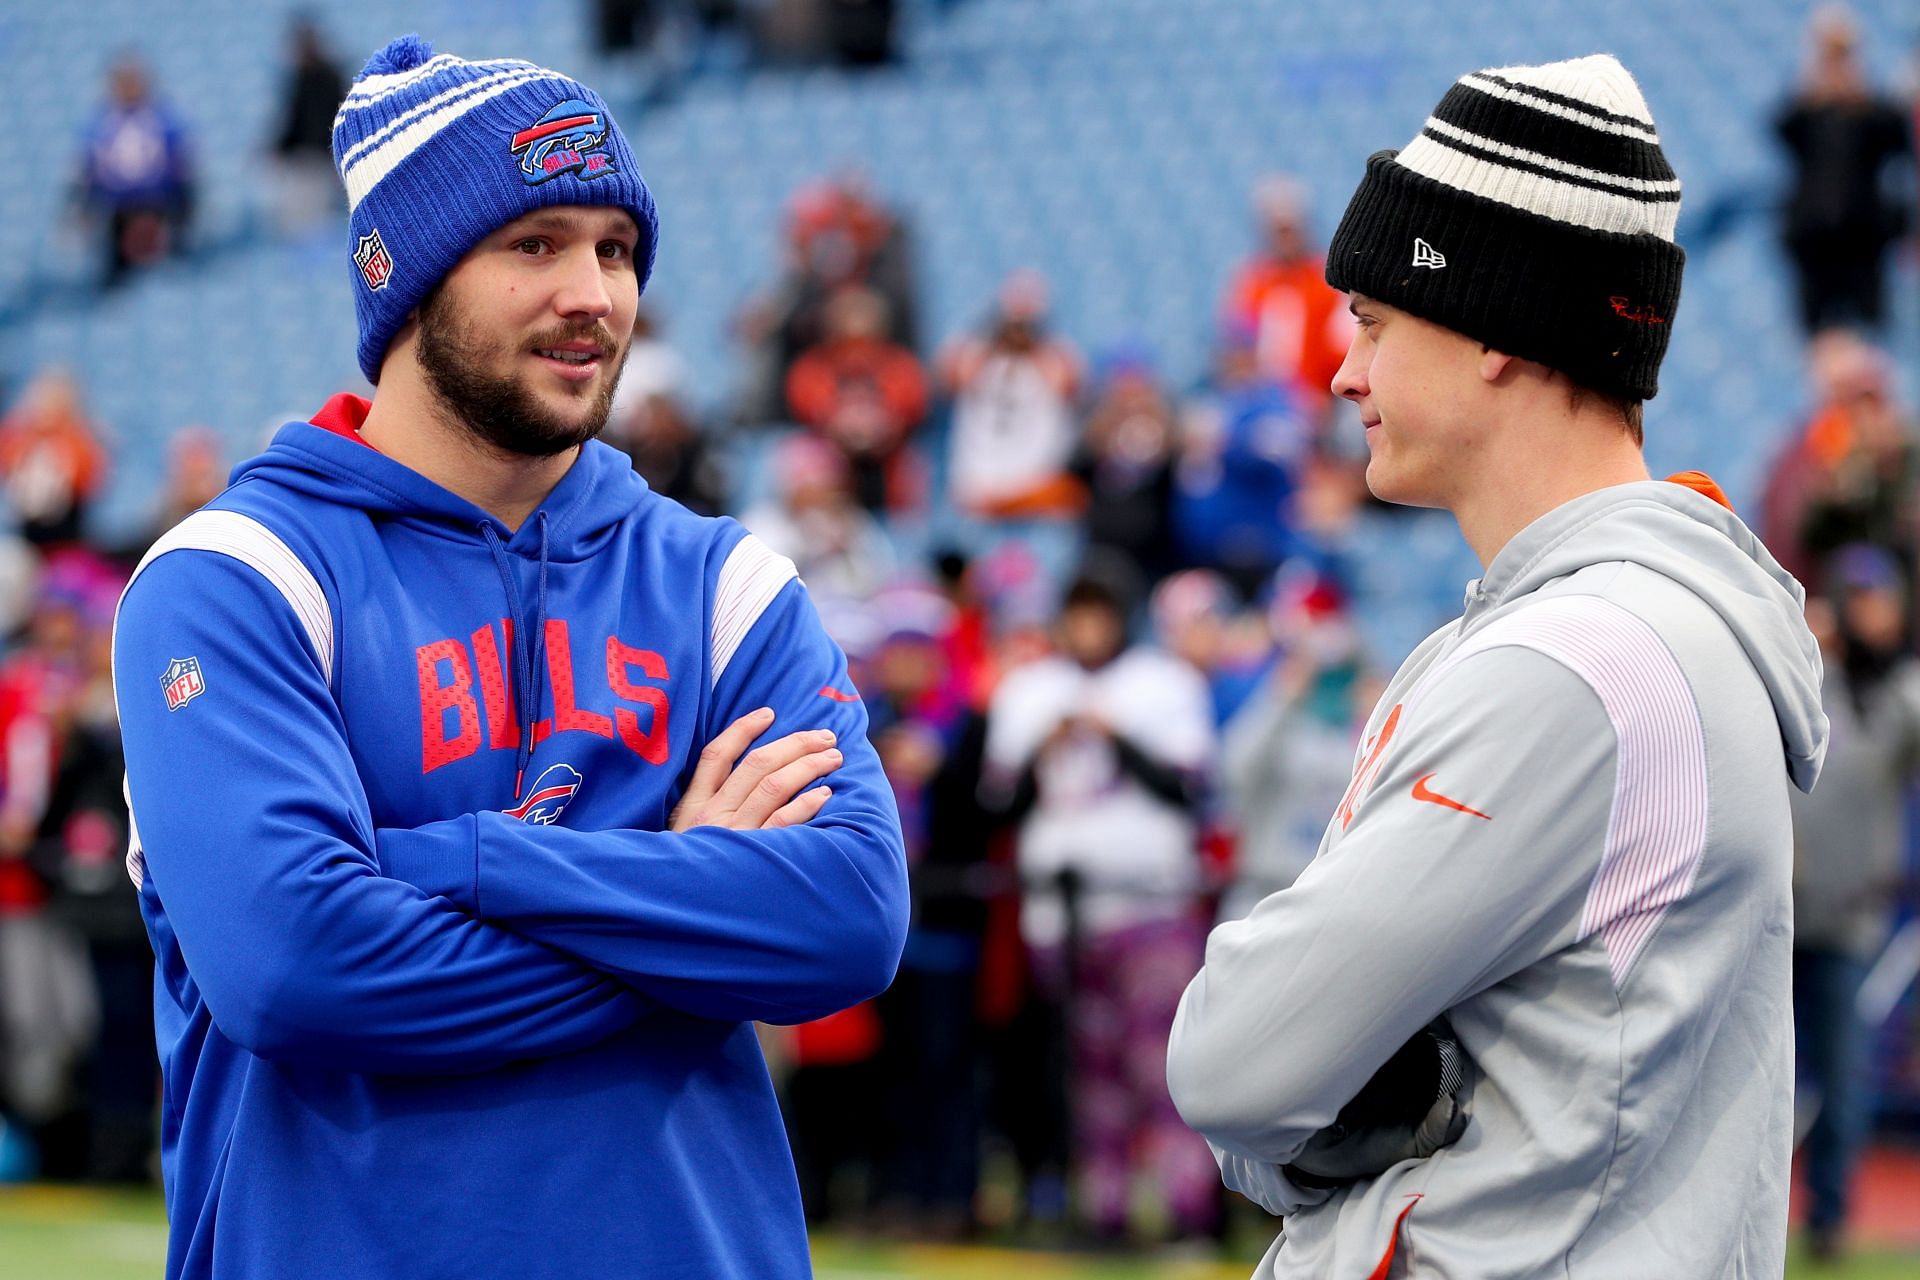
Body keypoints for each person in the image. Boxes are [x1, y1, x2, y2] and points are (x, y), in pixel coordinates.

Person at [111, 37, 907, 1280]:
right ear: (408, 279)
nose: (594, 291)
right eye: (535, 243)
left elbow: (849, 920)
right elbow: (296, 969)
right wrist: (686, 892)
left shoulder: (719, 582)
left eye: (617, 248)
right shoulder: (232, 580)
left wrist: (453, 862)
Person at [1166, 55, 1828, 1279]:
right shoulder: (1634, 635)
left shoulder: (1577, 664)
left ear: (1499, 333)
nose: (1341, 369)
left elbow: (1229, 1061)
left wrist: (1327, 1109)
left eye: (1373, 318)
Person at [985, 570, 1219, 1242]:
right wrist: (1044, 749)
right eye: (1078, 615)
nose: (1089, 630)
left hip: (1149, 904)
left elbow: (1187, 789)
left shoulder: (1164, 682)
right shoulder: (1033, 689)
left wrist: (1111, 735)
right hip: (1060, 913)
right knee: (1090, 1075)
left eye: (1100, 614)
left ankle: (1186, 1212)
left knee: (1165, 1065)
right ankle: (1106, 1211)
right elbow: (1000, 805)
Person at [1791, 547, 1920, 1262]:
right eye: (1859, 599)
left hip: (1849, 920)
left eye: (1884, 600)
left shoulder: (1900, 694)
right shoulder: (1806, 678)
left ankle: (1830, 1224)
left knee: (1842, 1082)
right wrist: (1803, 641)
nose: (1873, 613)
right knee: (1755, 1073)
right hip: (1777, 914)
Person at [1774, 6, 1914, 336]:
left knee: (1870, 331)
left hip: (1864, 238)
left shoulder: (1873, 111)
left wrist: (1857, 92)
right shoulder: (1806, 111)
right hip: (1813, 240)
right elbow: (1782, 130)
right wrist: (1815, 85)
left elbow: (1898, 141)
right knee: (1817, 333)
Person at [77, 56, 194, 284]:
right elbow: (89, 171)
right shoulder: (100, 122)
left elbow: (180, 166)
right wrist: (84, 207)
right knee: (118, 279)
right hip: (118, 211)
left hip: (159, 207)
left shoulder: (164, 118)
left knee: (167, 271)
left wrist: (185, 202)